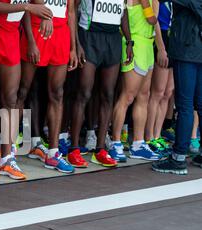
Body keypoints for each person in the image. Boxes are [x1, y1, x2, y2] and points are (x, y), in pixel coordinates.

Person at [0, 0, 52, 180]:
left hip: (12, 37)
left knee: (11, 99)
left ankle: (6, 158)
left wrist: (36, 30)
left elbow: (33, 7)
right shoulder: (24, 6)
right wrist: (27, 6)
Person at [67, 0, 133, 168]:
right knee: (83, 93)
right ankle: (73, 149)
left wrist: (129, 41)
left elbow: (123, 12)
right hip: (89, 36)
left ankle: (100, 149)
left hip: (113, 39)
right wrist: (77, 44)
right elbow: (73, 9)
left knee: (108, 95)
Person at [18, 0, 78, 173]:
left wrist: (73, 47)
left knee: (57, 93)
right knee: (22, 91)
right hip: (37, 31)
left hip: (60, 34)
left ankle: (53, 152)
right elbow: (26, 6)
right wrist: (30, 39)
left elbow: (71, 12)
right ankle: (8, 151)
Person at [152, 0, 202, 175]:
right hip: (196, 47)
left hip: (188, 47)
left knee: (185, 105)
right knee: (198, 104)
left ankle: (178, 157)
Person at [109, 0, 160, 162]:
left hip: (147, 45)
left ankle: (138, 143)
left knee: (144, 96)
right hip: (135, 44)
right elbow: (152, 19)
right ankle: (115, 142)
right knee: (127, 96)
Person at [145, 0, 174, 156]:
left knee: (168, 93)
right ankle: (149, 137)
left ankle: (157, 135)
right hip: (161, 38)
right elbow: (154, 21)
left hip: (174, 40)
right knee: (158, 91)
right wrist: (161, 48)